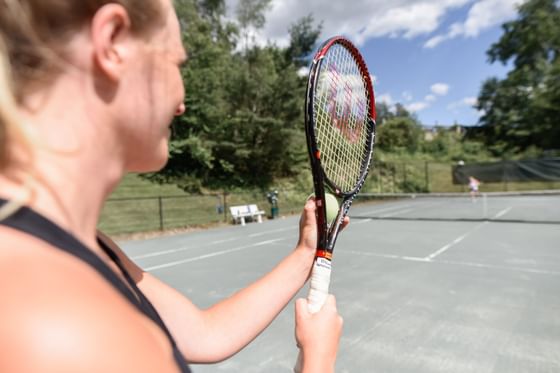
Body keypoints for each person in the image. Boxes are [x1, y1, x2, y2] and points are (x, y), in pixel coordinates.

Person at [0, 1, 344, 372]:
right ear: (113, 42)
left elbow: (205, 334)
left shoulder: (86, 247)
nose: (181, 102)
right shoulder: (56, 322)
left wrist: (305, 252)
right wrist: (318, 362)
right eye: (176, 63)